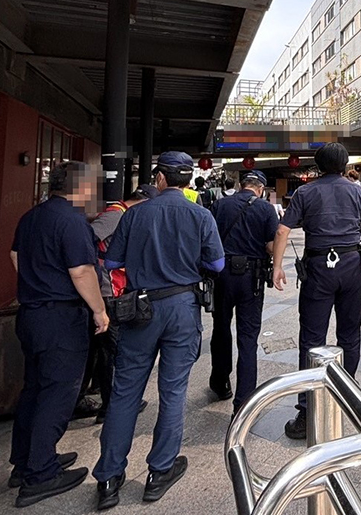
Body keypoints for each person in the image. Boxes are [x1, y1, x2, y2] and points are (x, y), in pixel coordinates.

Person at [92, 151, 225, 510]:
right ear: (186, 180)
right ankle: (159, 471)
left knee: (125, 391)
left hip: (140, 308)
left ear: (161, 178)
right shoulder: (200, 215)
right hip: (182, 307)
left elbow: (112, 261)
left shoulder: (135, 214)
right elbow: (217, 263)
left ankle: (109, 478)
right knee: (173, 390)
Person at [8, 161, 110, 508]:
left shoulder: (31, 217)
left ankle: (25, 461)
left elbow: (15, 255)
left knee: (34, 389)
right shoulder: (72, 221)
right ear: (79, 187)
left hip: (31, 314)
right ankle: (41, 473)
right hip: (61, 318)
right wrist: (98, 309)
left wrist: (37, 283)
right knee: (58, 393)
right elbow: (81, 271)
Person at [272, 143, 361, 440]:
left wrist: (277, 266)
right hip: (351, 265)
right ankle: (348, 393)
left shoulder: (305, 192)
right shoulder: (358, 191)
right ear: (345, 164)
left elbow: (282, 230)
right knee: (350, 333)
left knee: (311, 338)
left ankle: (307, 411)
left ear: (318, 166)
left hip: (319, 268)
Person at [82, 184, 159, 425]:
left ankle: (96, 394)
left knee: (102, 348)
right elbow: (88, 239)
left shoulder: (123, 213)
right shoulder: (116, 215)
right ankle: (112, 404)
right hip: (107, 289)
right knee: (112, 348)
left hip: (110, 287)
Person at [209, 170, 278, 412]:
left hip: (222, 275)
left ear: (241, 185)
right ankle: (244, 402)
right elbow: (271, 246)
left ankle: (220, 381)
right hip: (252, 277)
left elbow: (209, 240)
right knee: (248, 338)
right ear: (261, 189)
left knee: (220, 327)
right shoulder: (266, 209)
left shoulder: (220, 205)